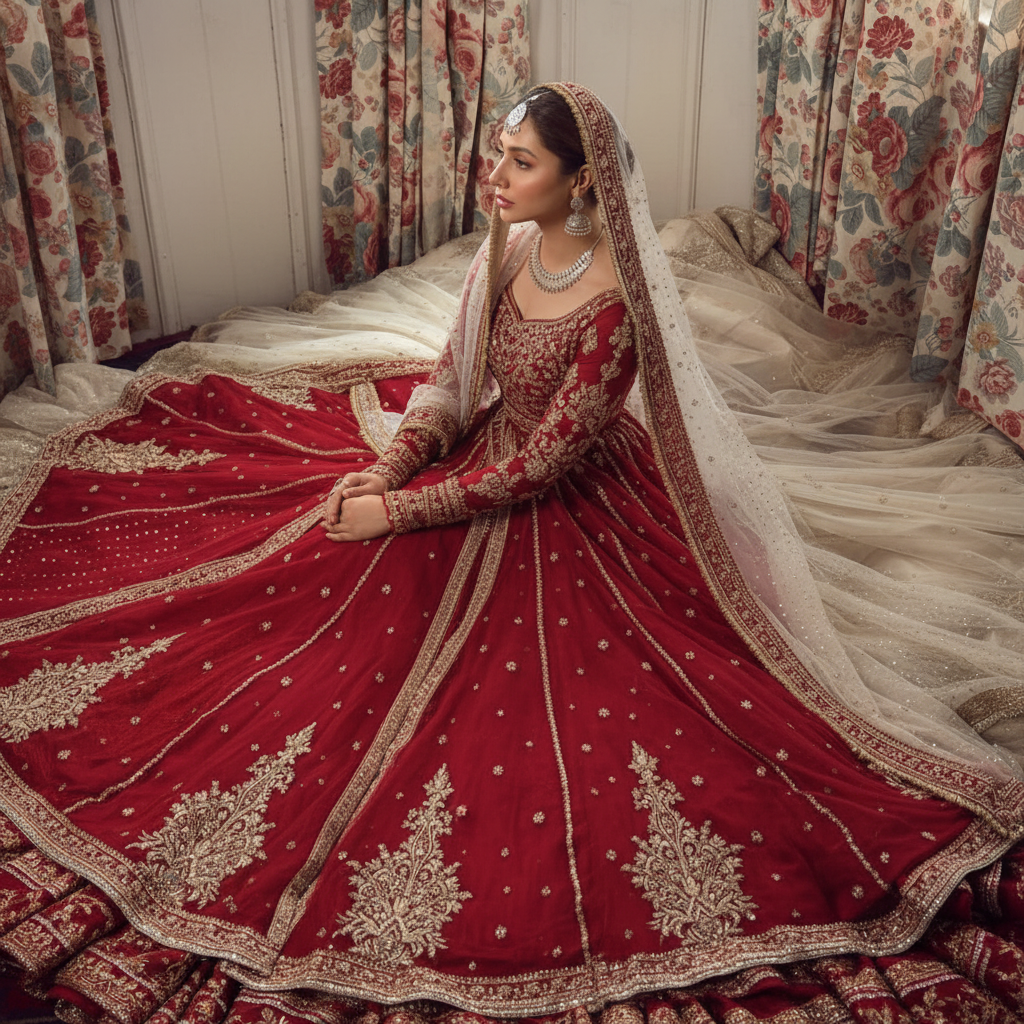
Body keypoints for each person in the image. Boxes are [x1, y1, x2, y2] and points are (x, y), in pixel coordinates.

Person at [0, 82, 1022, 1024]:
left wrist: (401, 515)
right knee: (308, 574)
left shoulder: (613, 307)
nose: (495, 174)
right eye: (497, 151)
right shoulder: (508, 248)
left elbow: (541, 466)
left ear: (582, 181)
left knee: (540, 693)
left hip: (570, 500)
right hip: (484, 453)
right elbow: (452, 386)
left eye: (521, 160)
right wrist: (388, 469)